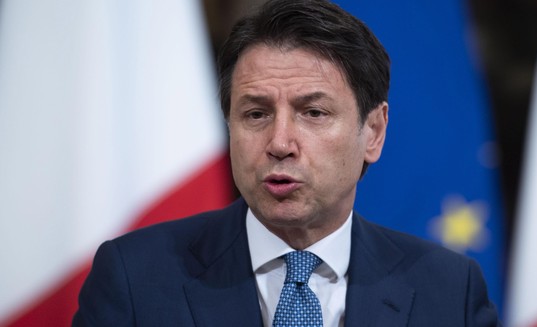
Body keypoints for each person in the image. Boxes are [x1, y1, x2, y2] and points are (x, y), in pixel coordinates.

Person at [73, 0, 501, 326]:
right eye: (256, 114)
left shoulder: (449, 290)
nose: (279, 143)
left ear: (373, 131)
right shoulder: (134, 278)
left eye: (313, 113)